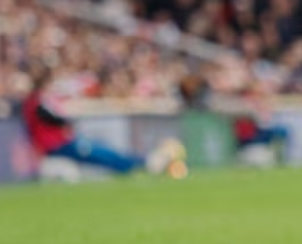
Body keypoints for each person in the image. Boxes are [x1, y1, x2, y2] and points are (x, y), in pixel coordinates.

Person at [22, 69, 186, 178]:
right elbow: (55, 119)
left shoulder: (37, 102)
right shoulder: (37, 103)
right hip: (58, 146)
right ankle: (145, 163)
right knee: (103, 154)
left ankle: (141, 163)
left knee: (105, 152)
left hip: (62, 144)